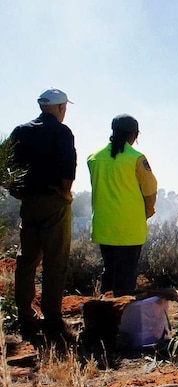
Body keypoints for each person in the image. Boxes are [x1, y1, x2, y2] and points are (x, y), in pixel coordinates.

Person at [6, 88, 76, 341]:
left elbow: (4, 164)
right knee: (55, 261)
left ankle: (25, 315)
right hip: (53, 201)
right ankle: (52, 318)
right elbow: (69, 168)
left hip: (29, 202)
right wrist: (65, 193)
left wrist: (15, 191)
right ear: (59, 108)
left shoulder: (20, 131)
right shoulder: (61, 132)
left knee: (27, 261)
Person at [88, 114, 158, 297]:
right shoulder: (136, 158)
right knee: (125, 277)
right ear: (134, 135)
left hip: (103, 226)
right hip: (129, 228)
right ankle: (121, 319)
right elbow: (150, 191)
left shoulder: (94, 158)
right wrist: (147, 212)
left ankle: (104, 314)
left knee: (109, 272)